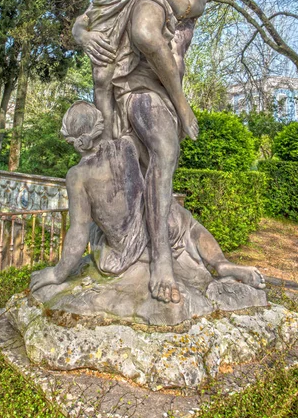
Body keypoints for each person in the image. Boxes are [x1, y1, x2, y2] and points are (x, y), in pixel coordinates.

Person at [72, 0, 217, 303]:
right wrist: (84, 35)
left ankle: (163, 257)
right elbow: (91, 14)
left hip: (165, 92)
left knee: (164, 153)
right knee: (136, 155)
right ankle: (154, 259)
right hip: (131, 89)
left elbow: (182, 5)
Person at [30, 102, 265, 295]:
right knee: (187, 222)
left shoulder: (78, 175)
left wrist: (57, 273)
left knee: (92, 227)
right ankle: (220, 263)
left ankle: (216, 263)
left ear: (81, 141)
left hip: (128, 245)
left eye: (70, 141)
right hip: (161, 224)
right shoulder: (127, 145)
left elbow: (78, 231)